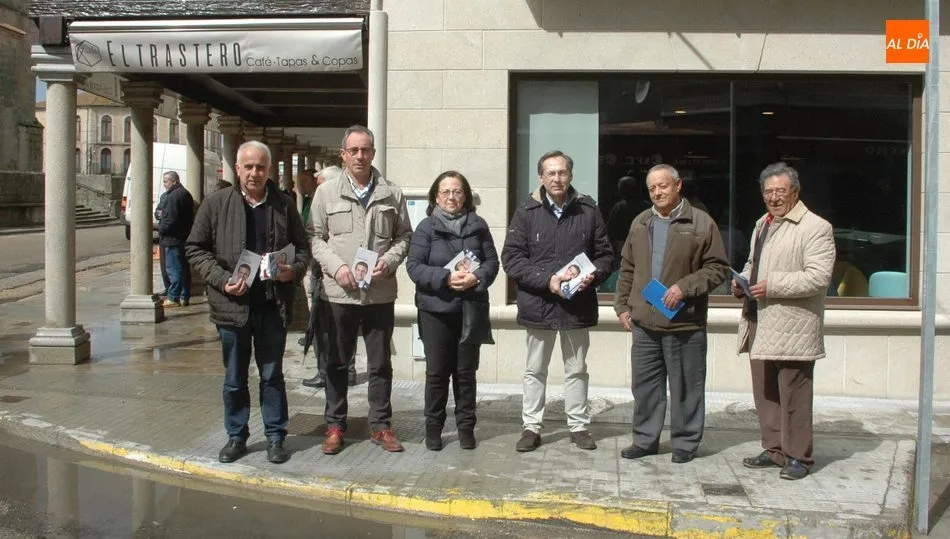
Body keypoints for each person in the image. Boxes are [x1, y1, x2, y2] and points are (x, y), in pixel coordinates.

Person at [185, 141, 310, 465]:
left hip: (272, 305)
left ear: (270, 170)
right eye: (249, 167)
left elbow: (303, 248)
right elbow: (195, 248)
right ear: (237, 169)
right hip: (232, 306)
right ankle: (236, 437)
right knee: (234, 378)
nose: (255, 173)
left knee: (272, 375)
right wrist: (221, 278)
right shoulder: (216, 204)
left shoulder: (284, 204)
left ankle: (274, 437)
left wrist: (291, 272)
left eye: (261, 167)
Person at [613, 164, 729, 464]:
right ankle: (645, 439)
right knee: (646, 387)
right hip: (644, 323)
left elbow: (717, 268)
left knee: (686, 387)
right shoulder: (640, 222)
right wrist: (622, 306)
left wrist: (684, 287)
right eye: (652, 188)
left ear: (678, 186)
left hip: (683, 321)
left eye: (663, 186)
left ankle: (685, 443)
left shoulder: (701, 222)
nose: (657, 192)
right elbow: (627, 267)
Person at [501, 150, 614, 452]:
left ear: (571, 175)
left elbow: (605, 256)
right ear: (541, 177)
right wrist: (546, 280)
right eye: (551, 173)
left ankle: (578, 426)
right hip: (539, 304)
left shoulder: (588, 210)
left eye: (562, 172)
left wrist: (594, 275)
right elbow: (511, 259)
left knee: (576, 368)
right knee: (534, 370)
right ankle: (531, 427)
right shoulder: (526, 212)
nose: (557, 178)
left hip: (577, 305)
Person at [309, 125, 413, 455]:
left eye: (365, 149)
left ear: (373, 153)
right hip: (339, 293)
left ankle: (380, 426)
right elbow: (314, 238)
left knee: (380, 364)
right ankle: (335, 425)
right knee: (337, 361)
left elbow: (404, 237)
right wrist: (337, 268)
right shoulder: (326, 193)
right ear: (342, 154)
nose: (360, 155)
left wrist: (390, 261)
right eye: (353, 150)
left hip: (379, 293)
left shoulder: (391, 193)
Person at [733, 162, 835, 481]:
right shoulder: (761, 224)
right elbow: (753, 263)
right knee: (765, 394)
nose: (774, 198)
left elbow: (819, 277)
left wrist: (772, 285)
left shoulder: (815, 227)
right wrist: (743, 281)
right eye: (768, 192)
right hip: (758, 321)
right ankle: (774, 448)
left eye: (781, 191)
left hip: (794, 326)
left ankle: (799, 457)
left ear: (795, 191)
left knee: (795, 396)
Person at [406, 171, 499, 451]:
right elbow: (414, 267)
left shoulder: (478, 226)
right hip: (435, 311)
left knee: (465, 372)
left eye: (457, 191)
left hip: (470, 309)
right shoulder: (426, 228)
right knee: (436, 373)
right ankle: (433, 428)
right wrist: (446, 278)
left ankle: (466, 428)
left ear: (465, 196)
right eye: (445, 192)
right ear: (436, 196)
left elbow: (492, 262)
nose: (451, 197)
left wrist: (478, 277)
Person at [301, 165, 356, 389]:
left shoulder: (336, 201)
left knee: (327, 325)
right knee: (324, 325)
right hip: (318, 268)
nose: (319, 190)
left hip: (329, 274)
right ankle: (330, 370)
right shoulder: (315, 201)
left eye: (322, 185)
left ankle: (328, 372)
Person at [156, 171, 195, 308]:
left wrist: (160, 229)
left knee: (173, 268)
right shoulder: (185, 194)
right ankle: (184, 296)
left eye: (166, 181)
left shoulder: (173, 196)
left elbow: (169, 219)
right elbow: (159, 212)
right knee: (183, 268)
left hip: (172, 239)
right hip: (183, 237)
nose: (164, 184)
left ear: (174, 181)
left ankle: (173, 297)